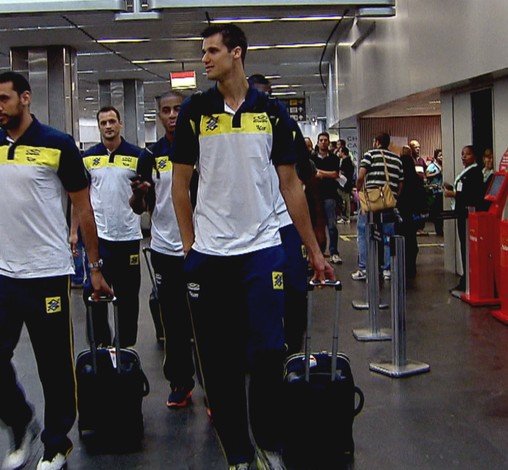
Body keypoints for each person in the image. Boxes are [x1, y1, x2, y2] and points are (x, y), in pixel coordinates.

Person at [170, 23, 329, 469]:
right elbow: (180, 186)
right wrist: (190, 248)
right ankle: (239, 454)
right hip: (211, 256)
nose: (205, 59)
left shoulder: (274, 113)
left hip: (261, 251)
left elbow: (291, 186)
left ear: (236, 54)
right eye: (203, 51)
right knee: (219, 364)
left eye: (212, 51)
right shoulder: (196, 112)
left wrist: (314, 252)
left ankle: (269, 443)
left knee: (266, 352)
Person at [0, 71, 112, 470]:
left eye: (4, 99)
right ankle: (21, 425)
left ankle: (57, 442)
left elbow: (83, 208)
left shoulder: (58, 145)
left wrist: (94, 266)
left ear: (25, 98)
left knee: (53, 364)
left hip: (46, 272)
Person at [247, 73, 333, 353]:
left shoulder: (287, 126)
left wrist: (318, 227)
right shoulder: (237, 130)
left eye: (267, 95)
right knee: (256, 295)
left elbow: (308, 178)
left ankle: (294, 352)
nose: (263, 100)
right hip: (250, 227)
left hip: (285, 223)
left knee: (295, 290)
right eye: (257, 94)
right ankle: (259, 353)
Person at [129, 90, 196, 408]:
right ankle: (180, 382)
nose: (172, 115)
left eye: (178, 110)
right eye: (166, 111)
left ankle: (216, 386)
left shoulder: (201, 148)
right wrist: (141, 193)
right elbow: (138, 208)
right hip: (165, 248)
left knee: (207, 321)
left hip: (203, 247)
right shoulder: (150, 155)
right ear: (159, 115)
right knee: (175, 320)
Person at [76, 105, 143, 347]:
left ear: (120, 124)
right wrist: (74, 232)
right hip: (99, 239)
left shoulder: (138, 155)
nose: (108, 126)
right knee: (93, 295)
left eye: (112, 121)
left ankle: (124, 348)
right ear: (99, 127)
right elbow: (79, 199)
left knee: (127, 298)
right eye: (103, 123)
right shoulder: (88, 158)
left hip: (128, 238)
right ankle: (100, 346)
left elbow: (145, 200)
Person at [352, 132, 403, 282]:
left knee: (364, 233)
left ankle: (364, 268)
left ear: (377, 142)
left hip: (372, 202)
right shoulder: (396, 159)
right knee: (388, 236)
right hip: (389, 202)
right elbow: (401, 183)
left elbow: (361, 176)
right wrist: (393, 197)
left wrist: (359, 191)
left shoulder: (370, 155)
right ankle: (387, 269)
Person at [443, 145, 485, 294]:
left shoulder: (475, 173)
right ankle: (465, 278)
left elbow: (473, 195)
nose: (463, 157)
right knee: (463, 245)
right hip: (462, 214)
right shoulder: (466, 172)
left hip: (469, 215)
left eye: (467, 154)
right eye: (462, 154)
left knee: (467, 246)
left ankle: (469, 279)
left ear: (474, 156)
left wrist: (454, 195)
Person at [310, 131, 342, 264]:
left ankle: (334, 251)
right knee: (317, 226)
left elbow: (335, 174)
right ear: (318, 142)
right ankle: (318, 252)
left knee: (331, 225)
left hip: (330, 195)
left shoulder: (334, 159)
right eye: (321, 140)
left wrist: (319, 172)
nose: (323, 142)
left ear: (329, 142)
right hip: (315, 195)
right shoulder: (312, 159)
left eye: (325, 140)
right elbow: (311, 173)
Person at [397, 142, 427, 279]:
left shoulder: (399, 181)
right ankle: (411, 267)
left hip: (400, 215)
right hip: (413, 216)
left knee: (400, 241)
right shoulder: (416, 180)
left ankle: (400, 266)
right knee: (412, 241)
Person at [426, 148, 444, 236]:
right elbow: (427, 174)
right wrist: (436, 174)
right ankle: (438, 230)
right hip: (435, 192)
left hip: (442, 191)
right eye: (440, 155)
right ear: (436, 157)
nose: (442, 157)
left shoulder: (444, 165)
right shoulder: (432, 166)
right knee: (437, 212)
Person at [337, 146, 355, 224]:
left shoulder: (345, 161)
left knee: (345, 200)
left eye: (340, 151)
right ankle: (345, 216)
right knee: (346, 199)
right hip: (347, 183)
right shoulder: (350, 161)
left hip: (344, 184)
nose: (339, 153)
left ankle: (346, 217)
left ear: (343, 152)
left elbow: (343, 172)